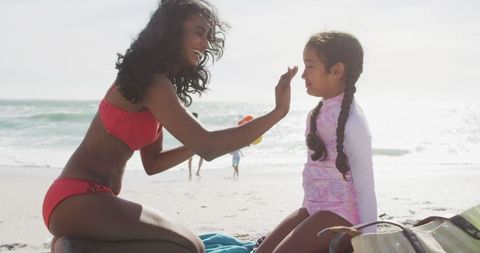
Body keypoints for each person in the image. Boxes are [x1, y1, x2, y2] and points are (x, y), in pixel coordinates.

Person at [41, 0, 298, 252]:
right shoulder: (152, 82)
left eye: (208, 36)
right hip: (77, 198)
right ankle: (77, 247)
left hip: (93, 200)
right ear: (171, 33)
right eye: (199, 33)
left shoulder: (155, 85)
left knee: (184, 246)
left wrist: (197, 145)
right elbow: (209, 147)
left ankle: (80, 247)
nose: (206, 43)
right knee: (190, 247)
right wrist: (278, 112)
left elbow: (154, 163)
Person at [255, 32, 377, 253]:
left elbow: (366, 187)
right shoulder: (314, 115)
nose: (303, 75)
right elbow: (314, 173)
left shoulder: (353, 122)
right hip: (314, 208)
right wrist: (304, 220)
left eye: (309, 66)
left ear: (337, 71)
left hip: (344, 215)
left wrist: (371, 244)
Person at [188, 112, 204, 179]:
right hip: (197, 143)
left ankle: (190, 173)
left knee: (190, 159)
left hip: (191, 143)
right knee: (201, 157)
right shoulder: (198, 123)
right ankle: (197, 172)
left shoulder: (189, 123)